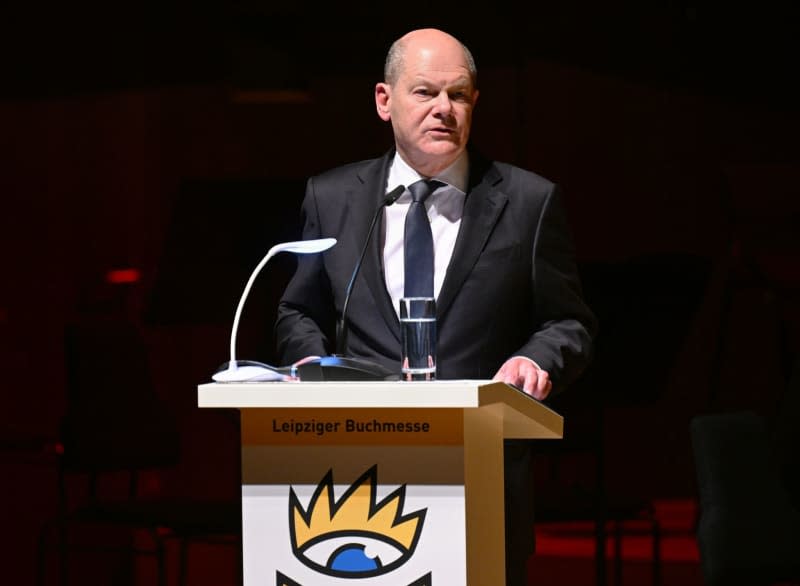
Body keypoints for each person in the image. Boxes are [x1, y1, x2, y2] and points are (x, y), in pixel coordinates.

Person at [275, 27, 596, 586]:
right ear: (384, 100)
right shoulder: (330, 199)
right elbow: (297, 313)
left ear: (475, 103)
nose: (443, 109)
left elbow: (567, 321)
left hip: (480, 478)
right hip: (352, 480)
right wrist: (316, 374)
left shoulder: (527, 203)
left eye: (459, 94)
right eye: (425, 92)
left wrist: (537, 361)